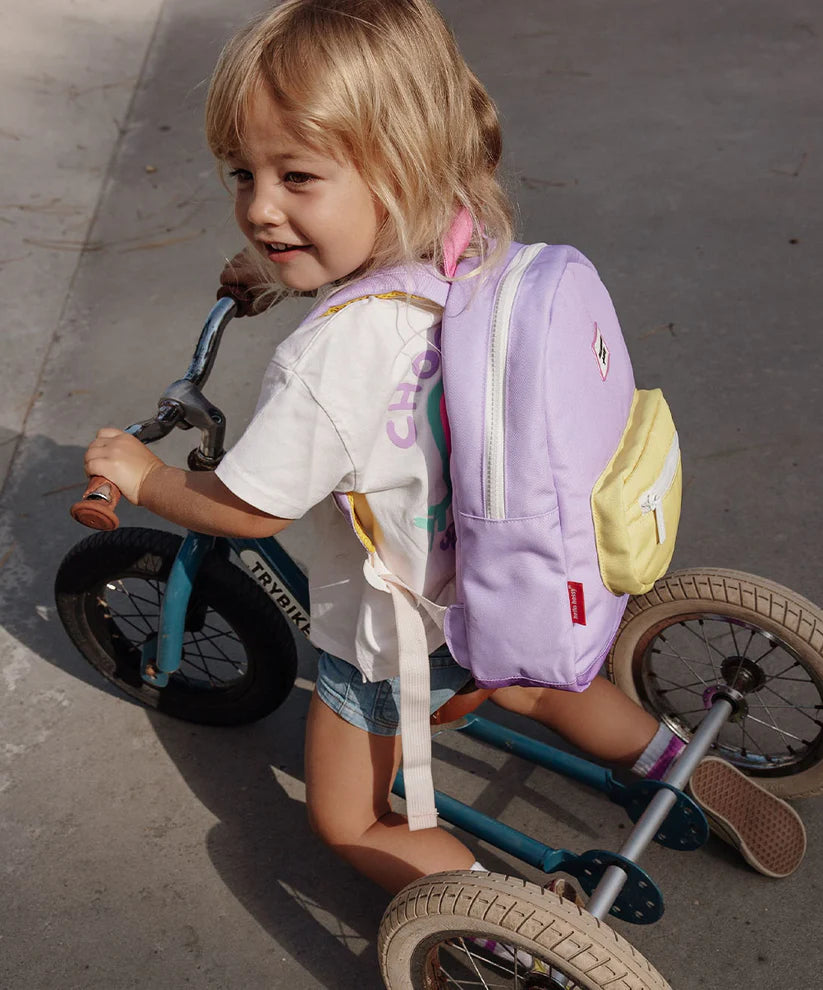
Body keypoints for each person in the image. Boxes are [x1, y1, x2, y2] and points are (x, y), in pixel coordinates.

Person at [84, 0, 804, 928]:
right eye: (242, 173)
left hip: (395, 635)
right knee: (542, 690)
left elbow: (248, 508)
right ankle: (678, 763)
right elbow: (381, 281)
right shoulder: (465, 240)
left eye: (296, 176)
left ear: (400, 167)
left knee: (346, 818)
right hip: (505, 581)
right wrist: (278, 266)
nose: (259, 208)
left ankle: (519, 923)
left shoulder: (322, 364)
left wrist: (146, 479)